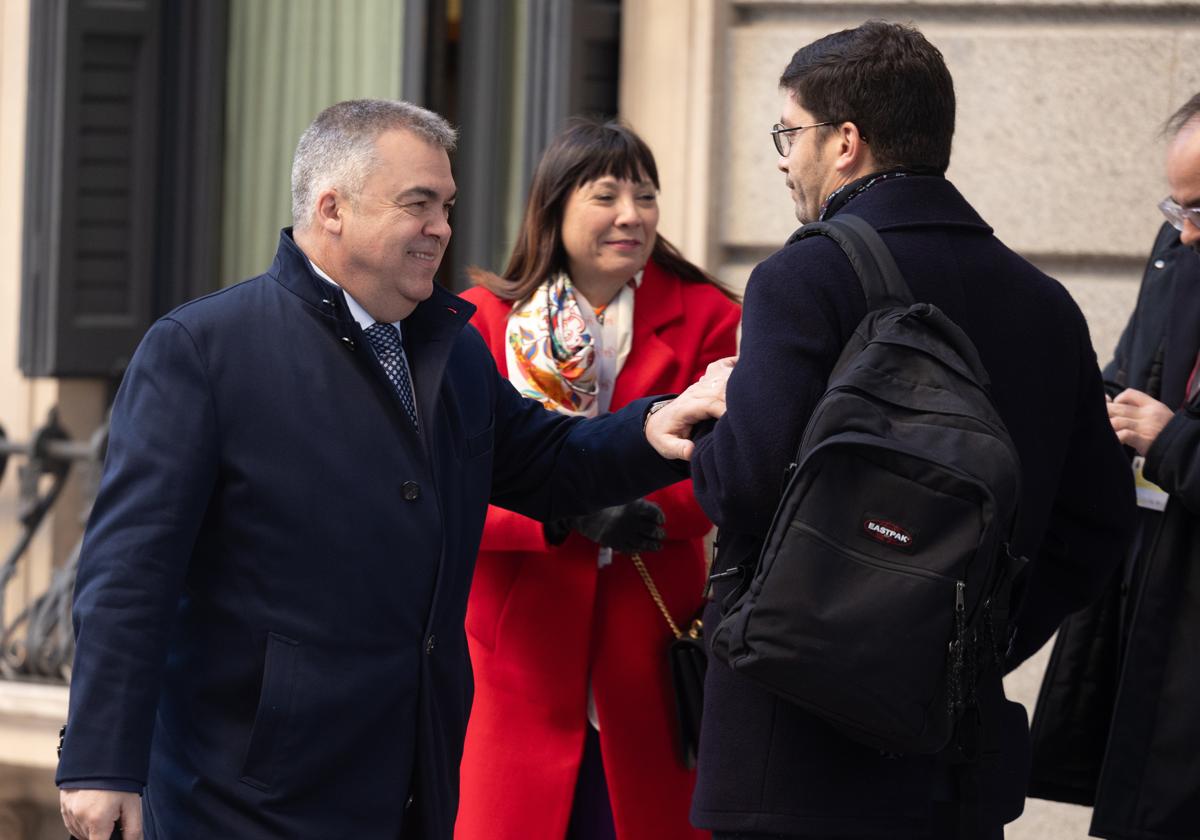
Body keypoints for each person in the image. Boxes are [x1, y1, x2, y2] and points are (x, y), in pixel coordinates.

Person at [54, 99, 731, 840]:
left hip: (411, 781)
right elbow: (129, 570)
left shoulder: (451, 348)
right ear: (332, 208)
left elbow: (545, 460)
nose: (441, 227)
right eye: (419, 204)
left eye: (446, 205)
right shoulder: (202, 349)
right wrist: (100, 761)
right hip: (242, 791)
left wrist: (651, 426)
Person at [685, 21, 1136, 839]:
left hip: (791, 754)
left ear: (846, 141)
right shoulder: (1043, 303)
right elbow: (1099, 522)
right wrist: (972, 643)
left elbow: (743, 486)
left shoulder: (802, 277)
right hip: (950, 759)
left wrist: (715, 413)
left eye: (790, 133)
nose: (784, 157)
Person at [453, 119, 739, 840]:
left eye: (646, 196)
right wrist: (559, 513)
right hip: (514, 653)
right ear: (553, 206)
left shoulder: (712, 318)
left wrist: (642, 506)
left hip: (651, 641)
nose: (631, 215)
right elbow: (451, 482)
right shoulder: (480, 323)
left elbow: (726, 463)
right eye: (606, 195)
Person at [1028, 92, 1200, 840]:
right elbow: (1129, 375)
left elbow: (1165, 429)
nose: (1186, 232)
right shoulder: (1178, 255)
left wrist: (1169, 442)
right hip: (1155, 602)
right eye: (1178, 207)